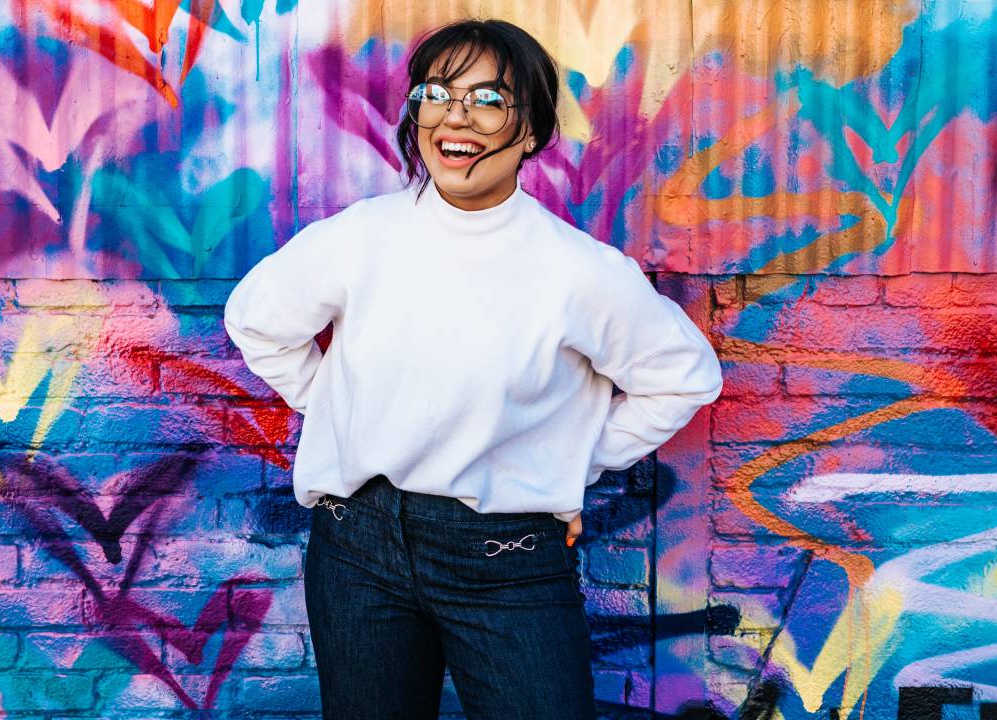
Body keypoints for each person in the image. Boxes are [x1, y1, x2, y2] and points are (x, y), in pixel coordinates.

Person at [224, 18, 722, 720]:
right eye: (437, 93)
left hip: (507, 558)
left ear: (530, 133)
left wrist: (571, 464)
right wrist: (342, 416)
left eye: (488, 99)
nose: (456, 117)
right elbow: (257, 320)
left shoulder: (576, 271)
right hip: (356, 551)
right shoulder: (361, 238)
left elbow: (683, 376)